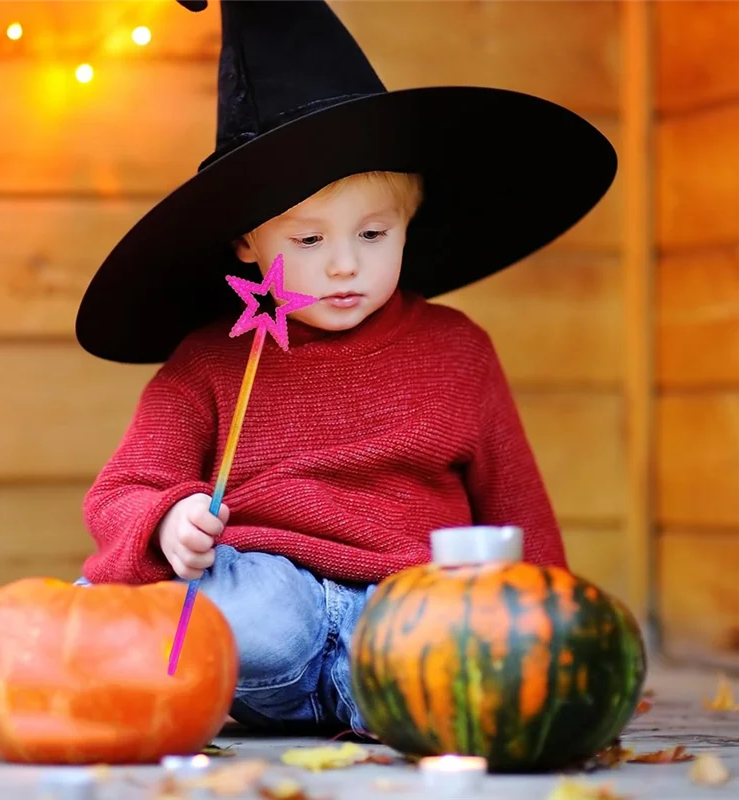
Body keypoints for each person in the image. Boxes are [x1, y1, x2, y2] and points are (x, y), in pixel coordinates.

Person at [73, 0, 617, 735]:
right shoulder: (212, 359)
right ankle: (156, 643)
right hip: (269, 609)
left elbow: (517, 508)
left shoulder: (457, 351)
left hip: (407, 614)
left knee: (455, 648)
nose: (342, 265)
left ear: (407, 222)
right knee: (243, 607)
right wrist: (168, 519)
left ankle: (383, 699)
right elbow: (123, 487)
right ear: (247, 244)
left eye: (371, 233)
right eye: (306, 239)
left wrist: (553, 636)